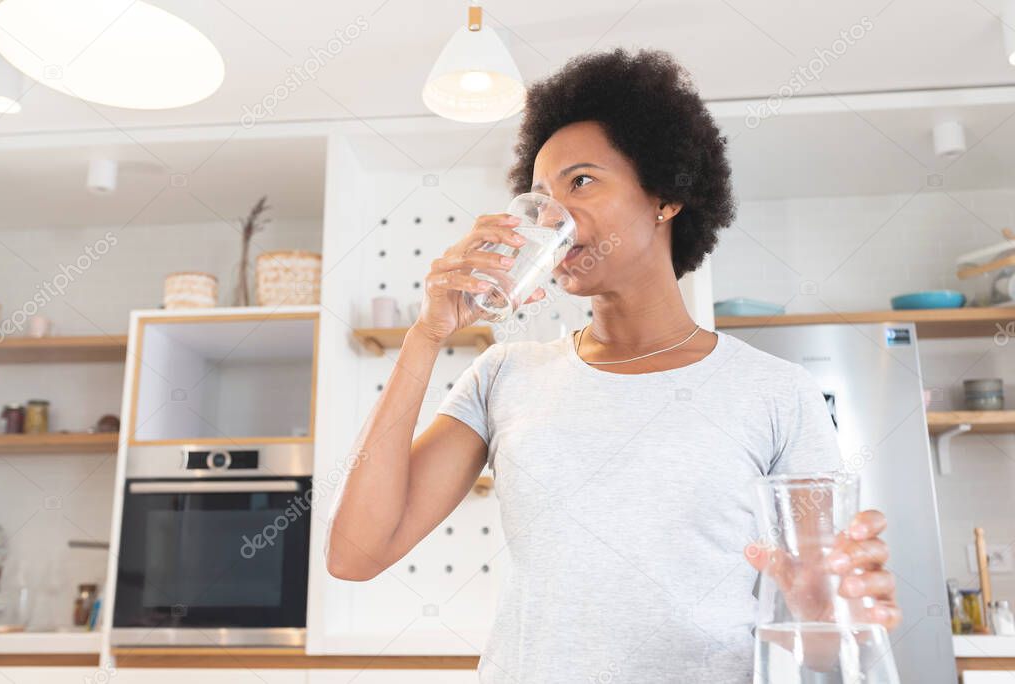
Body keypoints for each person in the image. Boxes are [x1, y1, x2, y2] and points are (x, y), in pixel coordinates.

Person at [326, 47, 900, 682]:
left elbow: (830, 651)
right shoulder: (503, 376)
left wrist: (825, 616)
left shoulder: (776, 393)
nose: (555, 219)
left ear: (665, 196)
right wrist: (426, 334)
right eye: (541, 197)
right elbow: (356, 554)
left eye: (582, 182)